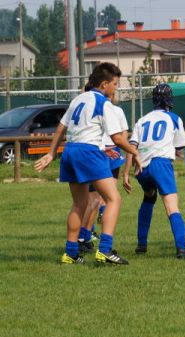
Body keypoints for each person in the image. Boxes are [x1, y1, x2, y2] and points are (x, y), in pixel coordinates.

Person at [35, 62, 142, 264]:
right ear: (104, 84)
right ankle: (105, 250)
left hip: (70, 151)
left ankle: (71, 253)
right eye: (115, 84)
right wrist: (135, 152)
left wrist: (51, 154)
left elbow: (60, 128)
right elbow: (118, 139)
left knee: (79, 203)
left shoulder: (78, 100)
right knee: (113, 199)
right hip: (88, 152)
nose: (115, 88)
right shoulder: (104, 103)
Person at [123, 84, 185, 258]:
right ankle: (182, 248)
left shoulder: (142, 120)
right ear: (169, 100)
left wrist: (125, 173)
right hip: (161, 164)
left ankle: (141, 245)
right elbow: (180, 146)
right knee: (172, 207)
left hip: (142, 166)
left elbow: (132, 147)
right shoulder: (174, 118)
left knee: (149, 197)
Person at [78, 86, 129, 253]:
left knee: (95, 199)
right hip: (109, 154)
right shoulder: (115, 110)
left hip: (96, 153)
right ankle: (88, 237)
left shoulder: (88, 109)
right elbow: (122, 136)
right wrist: (131, 153)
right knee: (103, 199)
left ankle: (85, 234)